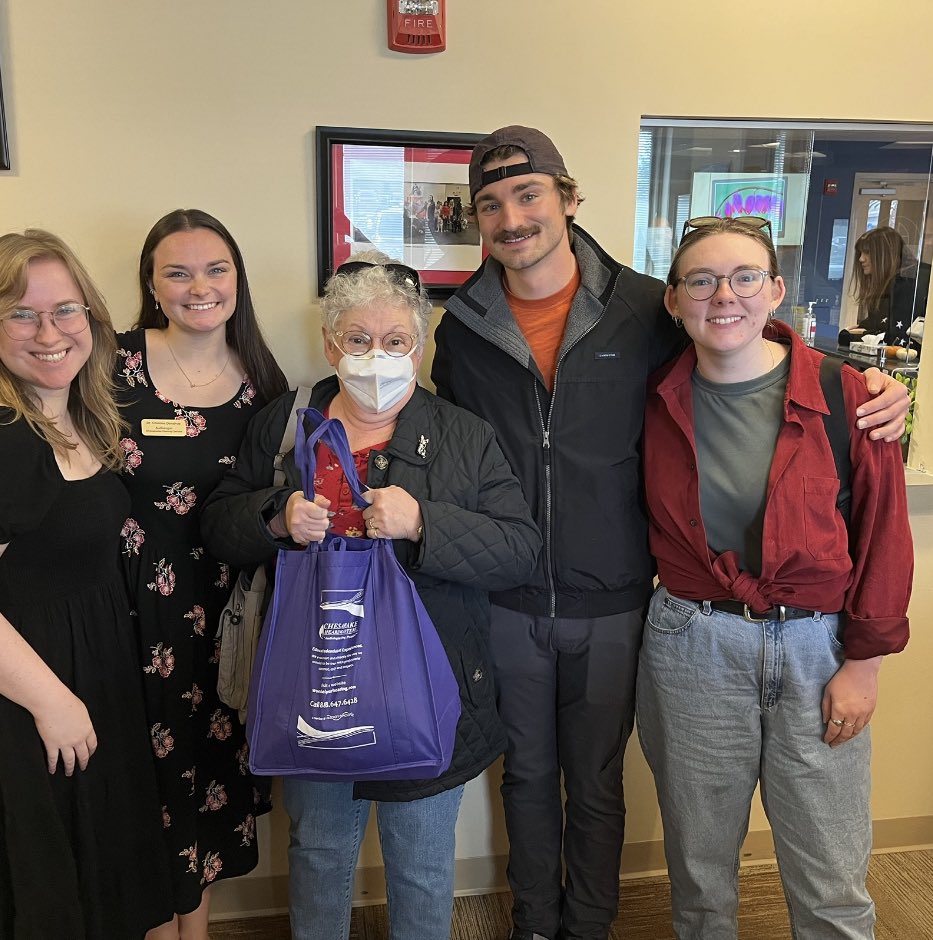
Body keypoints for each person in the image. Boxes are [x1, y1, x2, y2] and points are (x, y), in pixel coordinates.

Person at [430, 126, 912, 940]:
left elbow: (747, 347)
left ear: (568, 199)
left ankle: (588, 927)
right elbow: (449, 451)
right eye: (490, 203)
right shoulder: (463, 330)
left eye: (528, 195)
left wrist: (865, 378)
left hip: (638, 605)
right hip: (536, 600)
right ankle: (536, 928)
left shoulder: (639, 308)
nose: (512, 217)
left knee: (605, 785)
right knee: (547, 792)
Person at [200, 251, 541, 940]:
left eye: (395, 342)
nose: (376, 357)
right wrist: (275, 516)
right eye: (357, 340)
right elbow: (217, 525)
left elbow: (518, 550)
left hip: (426, 690)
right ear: (330, 343)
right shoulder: (284, 425)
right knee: (319, 852)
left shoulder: (462, 436)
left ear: (419, 347)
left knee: (420, 865)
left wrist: (425, 522)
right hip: (316, 691)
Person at [637, 216, 912, 938]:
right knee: (699, 876)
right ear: (673, 301)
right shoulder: (650, 399)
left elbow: (883, 538)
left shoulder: (848, 394)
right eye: (700, 280)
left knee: (829, 877)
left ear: (775, 290)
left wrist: (864, 663)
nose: (722, 295)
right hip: (690, 646)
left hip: (816, 651)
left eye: (743, 277)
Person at [0, 229, 173, 939]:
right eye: (21, 314)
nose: (49, 332)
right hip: (11, 714)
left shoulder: (75, 416)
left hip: (70, 691)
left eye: (66, 310)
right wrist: (53, 702)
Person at [115, 209, 287, 939]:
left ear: (237, 279)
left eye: (215, 269)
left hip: (227, 616)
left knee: (207, 781)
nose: (199, 286)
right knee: (139, 788)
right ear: (152, 286)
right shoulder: (107, 363)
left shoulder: (264, 382)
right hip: (127, 612)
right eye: (177, 272)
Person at [847, 224, 929, 348]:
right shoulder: (890, 286)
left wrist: (854, 336)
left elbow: (893, 335)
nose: (861, 259)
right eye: (860, 253)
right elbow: (875, 325)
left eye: (867, 252)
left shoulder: (911, 284)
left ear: (884, 254)